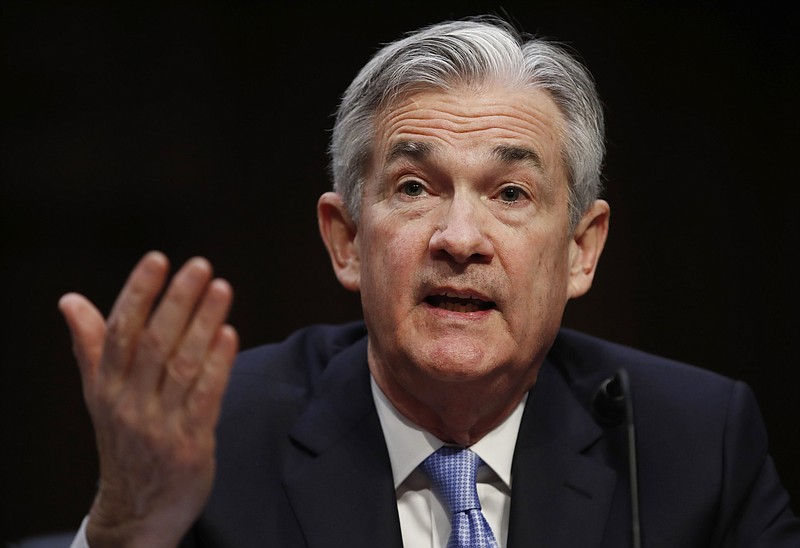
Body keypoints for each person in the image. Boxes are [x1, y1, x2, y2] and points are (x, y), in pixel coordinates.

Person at [59, 15, 799, 548]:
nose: (460, 238)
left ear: (581, 249)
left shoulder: (693, 444)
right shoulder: (214, 439)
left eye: (510, 194)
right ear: (345, 241)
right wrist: (128, 533)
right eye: (414, 187)